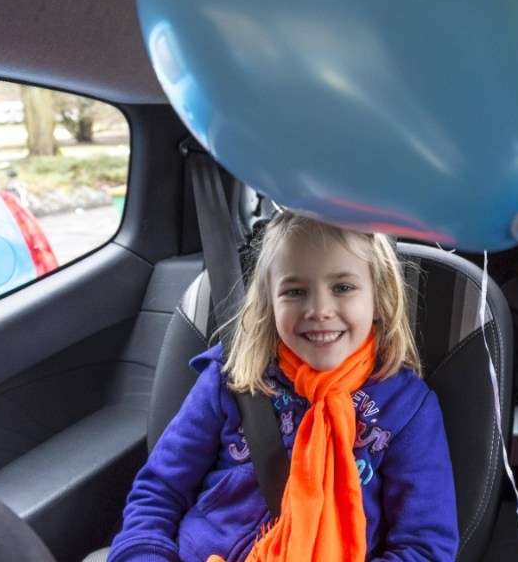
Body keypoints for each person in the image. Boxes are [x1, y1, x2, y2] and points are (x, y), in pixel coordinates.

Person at [107, 210, 459, 561]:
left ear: (379, 300)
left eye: (343, 287)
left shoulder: (407, 407)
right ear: (269, 304)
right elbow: (160, 492)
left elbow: (424, 545)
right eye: (295, 291)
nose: (319, 309)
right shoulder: (233, 377)